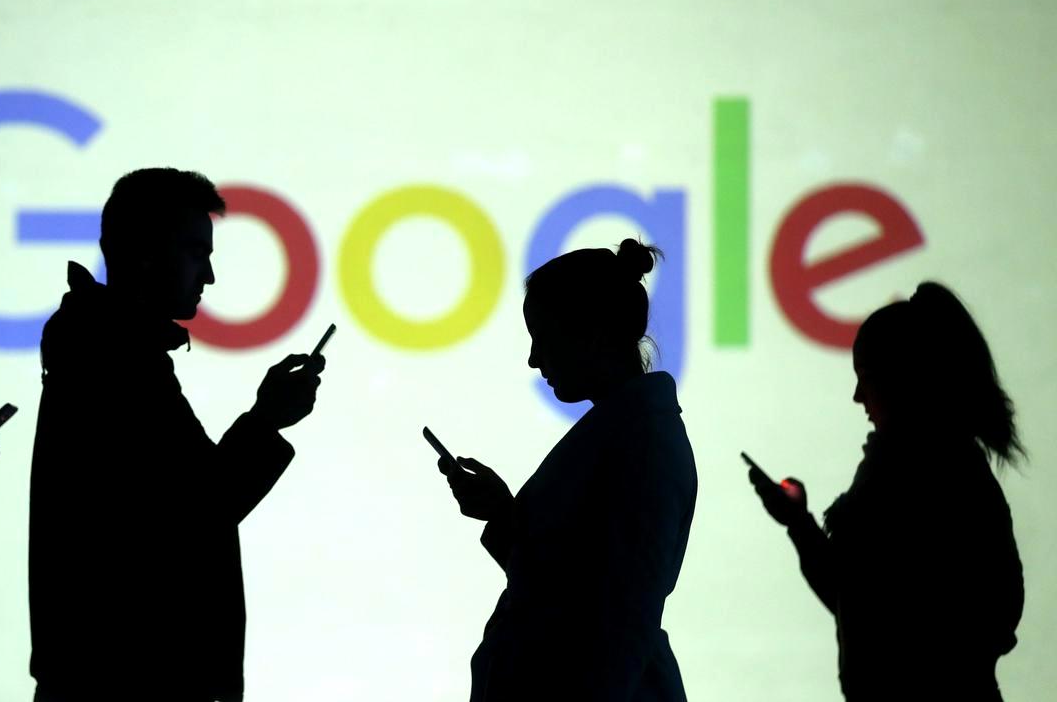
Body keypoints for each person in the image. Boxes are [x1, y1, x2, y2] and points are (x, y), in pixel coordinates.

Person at [29, 168, 326, 701]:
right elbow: (194, 512)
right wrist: (265, 422)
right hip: (131, 678)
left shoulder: (102, 349)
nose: (207, 277)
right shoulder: (114, 361)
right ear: (144, 253)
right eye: (195, 253)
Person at [439, 239, 697, 701]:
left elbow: (618, 624)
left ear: (593, 333)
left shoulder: (640, 447)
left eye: (545, 337)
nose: (535, 359)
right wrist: (506, 516)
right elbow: (572, 582)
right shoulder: (622, 435)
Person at [747, 282, 1025, 701]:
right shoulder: (934, 470)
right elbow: (856, 601)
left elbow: (862, 605)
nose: (857, 396)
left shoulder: (920, 475)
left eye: (866, 379)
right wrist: (799, 524)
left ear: (903, 379)